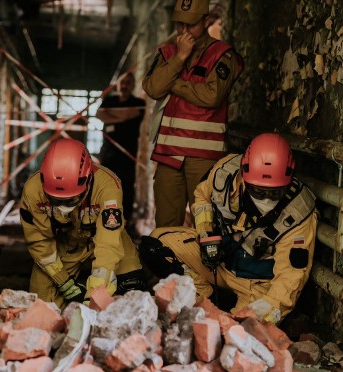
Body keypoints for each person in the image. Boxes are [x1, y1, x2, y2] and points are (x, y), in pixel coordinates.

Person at [140, 134, 318, 324]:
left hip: (255, 286)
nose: (266, 200)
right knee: (157, 244)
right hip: (220, 263)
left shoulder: (299, 213)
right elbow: (202, 197)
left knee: (235, 328)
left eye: (275, 193)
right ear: (244, 175)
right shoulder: (225, 172)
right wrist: (206, 233)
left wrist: (268, 313)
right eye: (258, 191)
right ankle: (203, 296)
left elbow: (290, 277)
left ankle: (228, 308)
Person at [142, 0, 243, 228]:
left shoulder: (223, 55)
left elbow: (211, 97)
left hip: (204, 156)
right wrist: (180, 58)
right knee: (166, 225)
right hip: (169, 154)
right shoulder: (168, 53)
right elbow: (153, 89)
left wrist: (173, 81)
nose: (184, 31)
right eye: (179, 25)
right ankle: (167, 263)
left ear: (206, 22)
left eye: (191, 25)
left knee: (206, 224)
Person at [20, 138, 147, 309]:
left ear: (87, 179)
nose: (63, 208)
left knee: (131, 289)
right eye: (55, 200)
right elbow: (39, 241)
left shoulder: (107, 185)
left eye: (71, 200)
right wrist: (63, 281)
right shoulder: (32, 190)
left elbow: (108, 243)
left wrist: (94, 296)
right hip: (64, 247)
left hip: (103, 241)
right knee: (40, 307)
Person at [95, 72, 146, 227]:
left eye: (128, 83)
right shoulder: (109, 100)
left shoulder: (138, 102)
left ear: (133, 85)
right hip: (108, 152)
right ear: (117, 84)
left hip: (128, 153)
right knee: (105, 185)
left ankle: (124, 222)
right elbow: (99, 115)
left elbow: (134, 113)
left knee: (126, 187)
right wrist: (123, 117)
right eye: (122, 82)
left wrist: (112, 115)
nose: (124, 86)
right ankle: (102, 219)